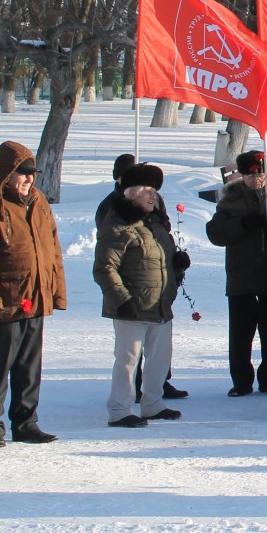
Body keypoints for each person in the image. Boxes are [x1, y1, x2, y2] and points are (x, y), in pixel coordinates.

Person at [94, 163, 188, 428]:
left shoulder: (157, 224)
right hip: (131, 306)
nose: (152, 195)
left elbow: (160, 260)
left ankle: (153, 404)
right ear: (130, 193)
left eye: (155, 191)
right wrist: (121, 300)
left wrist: (178, 263)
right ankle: (120, 409)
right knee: (128, 360)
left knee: (160, 359)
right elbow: (104, 267)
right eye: (146, 190)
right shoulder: (117, 225)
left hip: (159, 305)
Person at [0, 141, 67, 447]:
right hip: (4, 303)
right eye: (22, 174)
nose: (29, 179)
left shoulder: (39, 202)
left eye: (31, 174)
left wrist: (55, 290)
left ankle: (26, 422)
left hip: (35, 298)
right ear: (7, 174)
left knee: (29, 368)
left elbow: (53, 249)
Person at [205, 150, 267, 397]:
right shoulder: (230, 203)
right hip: (241, 278)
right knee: (241, 335)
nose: (256, 179)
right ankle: (241, 380)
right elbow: (215, 233)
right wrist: (242, 225)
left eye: (260, 173)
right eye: (250, 174)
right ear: (242, 175)